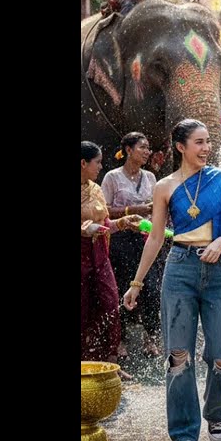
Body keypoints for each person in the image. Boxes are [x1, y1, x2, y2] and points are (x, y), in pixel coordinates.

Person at [122, 120, 221, 441]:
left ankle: (215, 413)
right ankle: (183, 434)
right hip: (179, 269)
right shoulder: (164, 187)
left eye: (207, 142)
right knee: (178, 356)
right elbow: (155, 236)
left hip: (219, 267)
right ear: (180, 146)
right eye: (198, 142)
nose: (206, 148)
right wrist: (136, 282)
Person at [101, 132, 164, 360]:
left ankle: (150, 337)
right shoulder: (112, 177)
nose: (147, 152)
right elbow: (104, 210)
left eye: (148, 148)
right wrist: (133, 211)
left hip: (146, 238)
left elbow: (157, 207)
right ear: (128, 150)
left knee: (152, 287)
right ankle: (121, 340)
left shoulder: (150, 177)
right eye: (143, 148)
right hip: (121, 239)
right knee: (122, 285)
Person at [81, 142, 142, 375]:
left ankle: (110, 364)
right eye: (97, 162)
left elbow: (104, 226)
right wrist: (84, 231)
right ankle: (86, 368)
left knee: (109, 306)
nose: (100, 166)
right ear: (83, 163)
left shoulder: (95, 189)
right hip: (82, 260)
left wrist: (125, 223)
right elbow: (89, 228)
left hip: (99, 259)